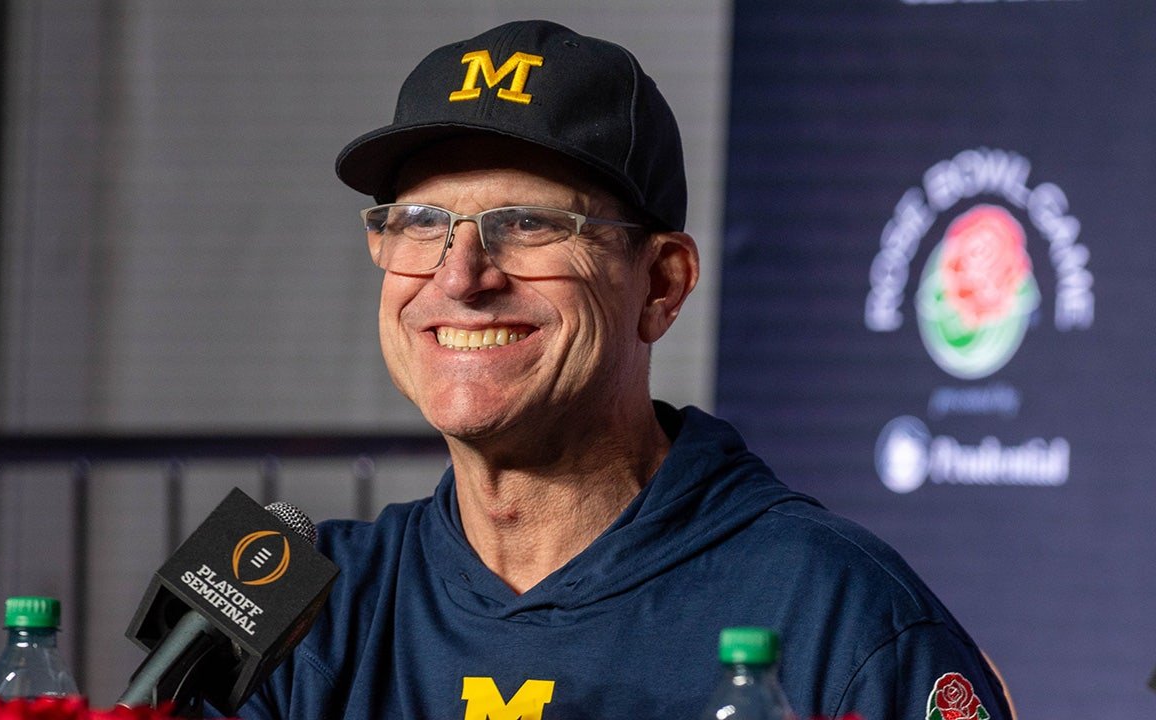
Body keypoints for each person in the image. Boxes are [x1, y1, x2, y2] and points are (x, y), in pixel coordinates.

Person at [238, 19, 1014, 720]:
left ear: (662, 284)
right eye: (420, 223)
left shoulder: (836, 613)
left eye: (529, 224)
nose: (459, 276)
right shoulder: (304, 605)